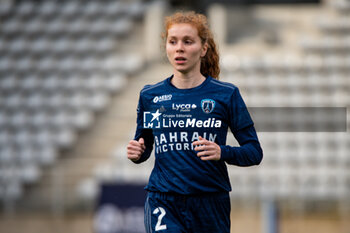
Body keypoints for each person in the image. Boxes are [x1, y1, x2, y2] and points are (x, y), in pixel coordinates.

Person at [127, 11, 263, 233]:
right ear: (167, 47)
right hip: (164, 201)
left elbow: (254, 152)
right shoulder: (150, 96)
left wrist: (223, 152)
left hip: (211, 203)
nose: (179, 48)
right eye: (173, 42)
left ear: (203, 48)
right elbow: (143, 146)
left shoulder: (226, 95)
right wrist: (137, 152)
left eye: (188, 41)